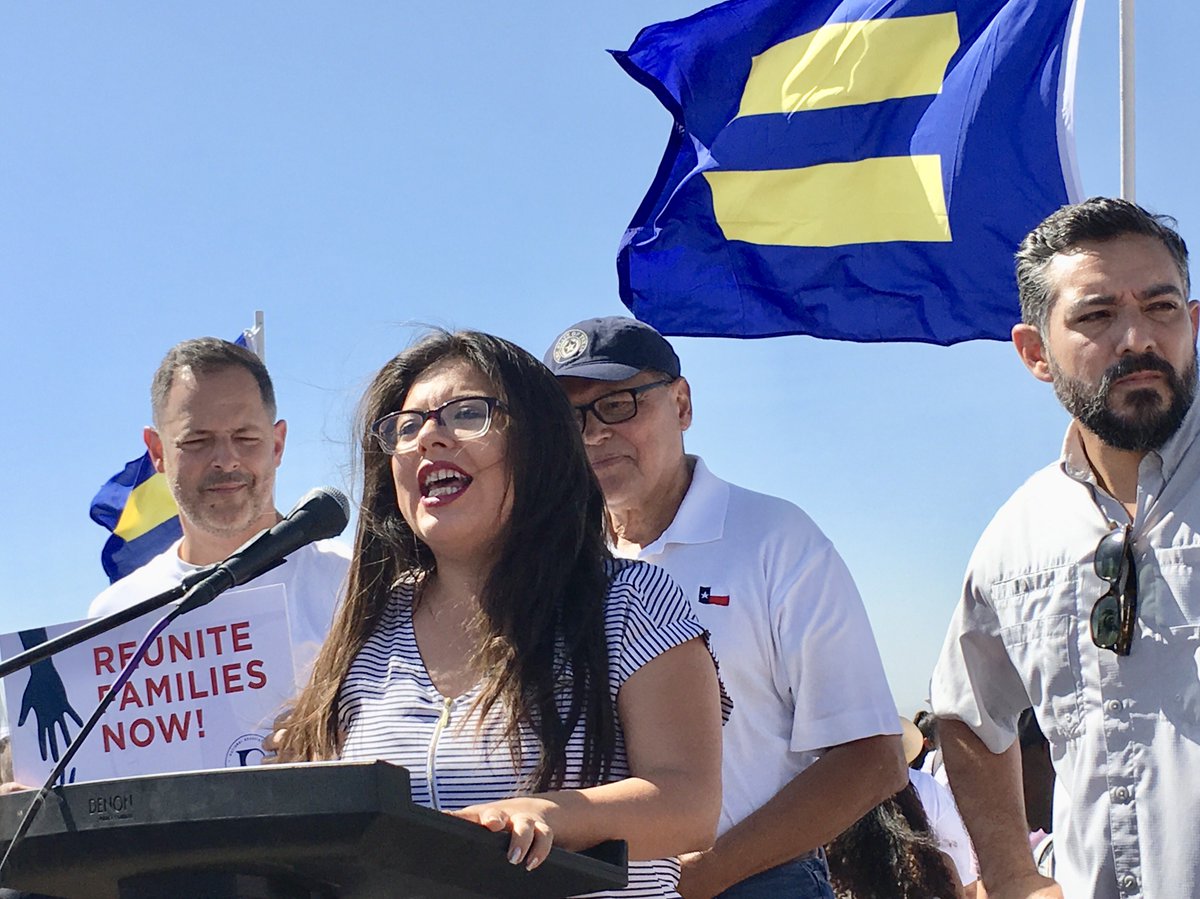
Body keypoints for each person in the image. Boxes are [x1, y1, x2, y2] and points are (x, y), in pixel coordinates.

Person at [278, 330, 725, 897]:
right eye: (407, 427)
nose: (428, 438)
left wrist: (549, 814)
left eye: (467, 414)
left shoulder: (629, 601)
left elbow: (689, 804)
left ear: (540, 445)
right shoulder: (367, 628)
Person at [545, 316, 905, 898]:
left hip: (754, 882)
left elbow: (871, 756)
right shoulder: (551, 566)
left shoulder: (775, 539)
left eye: (617, 405)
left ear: (681, 404)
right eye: (569, 418)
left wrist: (703, 875)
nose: (592, 435)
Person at [931, 197, 1200, 898]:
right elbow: (966, 714)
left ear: (1194, 323)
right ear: (1035, 353)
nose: (1137, 337)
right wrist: (1012, 876)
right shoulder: (1017, 538)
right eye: (1096, 315)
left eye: (1162, 307)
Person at [87, 337, 349, 683]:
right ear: (158, 452)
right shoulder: (115, 618)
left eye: (246, 438)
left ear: (277, 444)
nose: (226, 460)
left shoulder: (354, 585)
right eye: (197, 441)